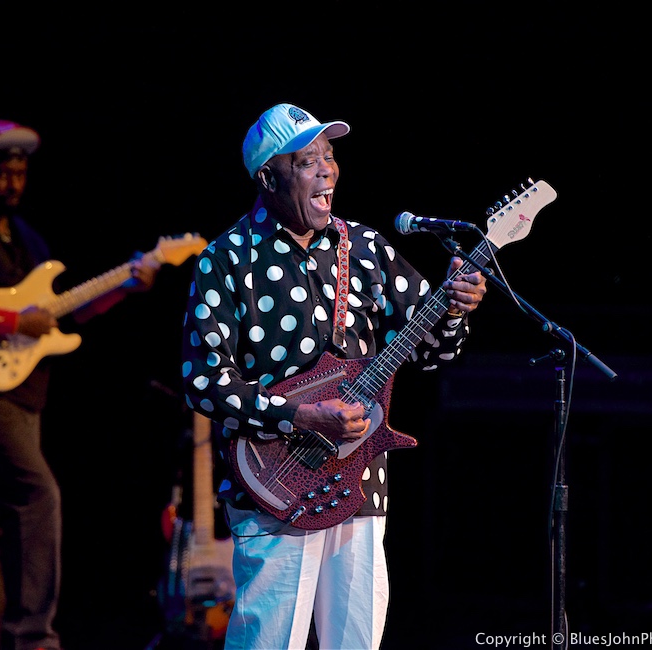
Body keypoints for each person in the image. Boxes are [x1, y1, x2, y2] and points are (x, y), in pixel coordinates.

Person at [179, 103, 488, 650]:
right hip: (274, 487)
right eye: (306, 161)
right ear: (268, 177)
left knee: (358, 640)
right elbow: (204, 383)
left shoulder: (364, 248)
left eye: (329, 156)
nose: (326, 170)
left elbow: (432, 353)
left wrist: (457, 309)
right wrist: (300, 414)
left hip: (359, 484)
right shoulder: (225, 261)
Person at [0, 119, 160, 650]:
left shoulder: (26, 239)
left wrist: (124, 287)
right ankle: (33, 638)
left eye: (20, 172)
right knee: (37, 496)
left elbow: (67, 315)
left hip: (22, 392)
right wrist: (11, 323)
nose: (14, 183)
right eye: (3, 172)